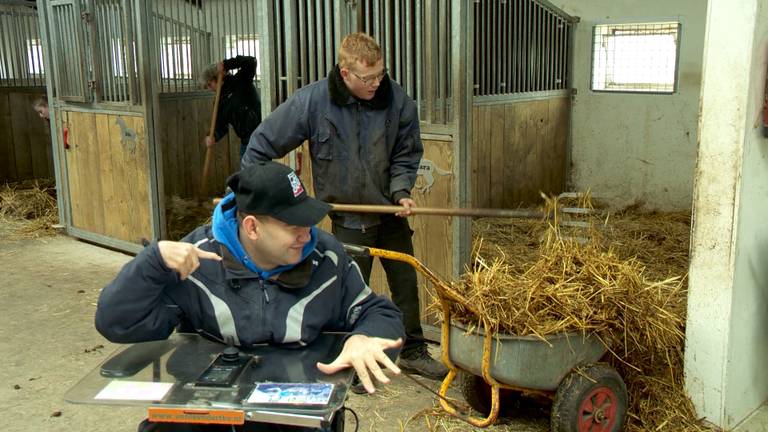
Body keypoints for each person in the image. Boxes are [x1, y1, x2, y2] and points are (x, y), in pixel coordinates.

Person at [95, 161, 405, 431]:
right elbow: (116, 323)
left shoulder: (327, 258)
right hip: (205, 409)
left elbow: (379, 313)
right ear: (252, 227)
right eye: (292, 225)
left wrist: (366, 337)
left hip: (290, 413)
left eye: (309, 222)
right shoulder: (197, 260)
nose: (306, 234)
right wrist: (151, 262)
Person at [242, 32, 448, 382]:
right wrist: (269, 196)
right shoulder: (312, 102)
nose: (376, 83)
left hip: (390, 211)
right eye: (367, 78)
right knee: (348, 290)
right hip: (349, 216)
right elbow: (260, 146)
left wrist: (401, 191)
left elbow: (406, 152)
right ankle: (347, 356)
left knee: (405, 281)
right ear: (345, 72)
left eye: (380, 74)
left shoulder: (397, 101)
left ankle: (412, 349)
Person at [202, 55, 262, 158]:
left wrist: (227, 64)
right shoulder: (220, 101)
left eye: (209, 84)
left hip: (263, 136)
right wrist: (212, 136)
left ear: (216, 77)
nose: (209, 88)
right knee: (246, 173)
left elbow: (251, 61)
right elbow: (220, 125)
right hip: (247, 143)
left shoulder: (241, 80)